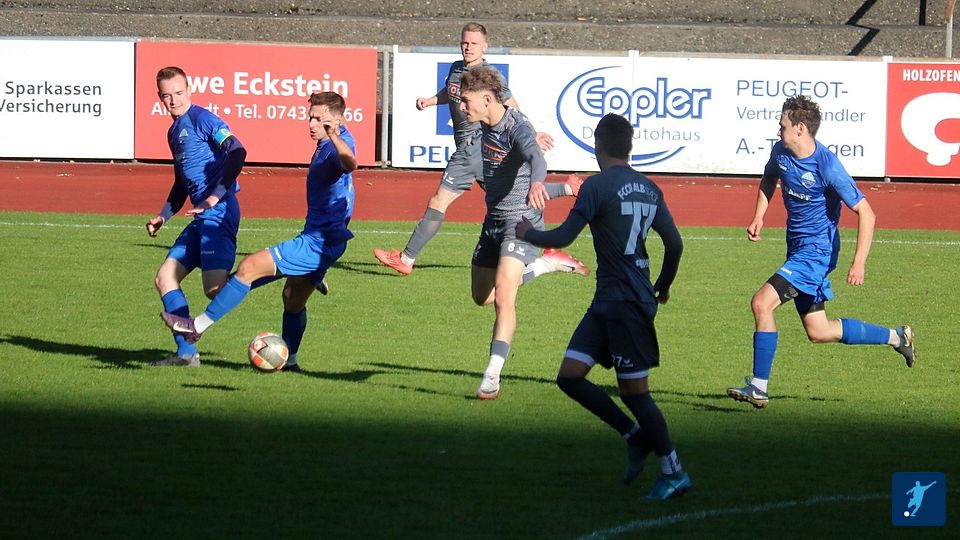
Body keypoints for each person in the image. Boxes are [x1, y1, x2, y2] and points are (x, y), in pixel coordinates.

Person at [517, 113, 691, 500]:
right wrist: (662, 286)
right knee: (570, 376)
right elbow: (675, 244)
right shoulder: (649, 188)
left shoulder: (596, 186)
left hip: (625, 302)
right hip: (613, 300)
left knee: (635, 393)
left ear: (597, 145)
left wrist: (528, 233)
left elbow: (563, 237)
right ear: (629, 146)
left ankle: (674, 470)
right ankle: (634, 437)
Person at [726, 95, 915, 409]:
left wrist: (859, 262)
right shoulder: (781, 152)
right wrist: (759, 215)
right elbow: (769, 177)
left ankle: (758, 387)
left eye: (782, 126)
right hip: (797, 249)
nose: (778, 131)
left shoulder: (827, 165)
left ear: (800, 128)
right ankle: (897, 337)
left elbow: (867, 213)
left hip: (816, 254)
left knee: (761, 303)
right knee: (819, 331)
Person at [160, 91, 356, 372]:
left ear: (338, 120)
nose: (311, 124)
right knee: (292, 299)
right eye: (310, 117)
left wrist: (334, 135)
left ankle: (196, 327)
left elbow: (350, 163)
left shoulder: (338, 144)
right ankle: (290, 362)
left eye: (319, 120)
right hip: (325, 240)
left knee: (248, 267)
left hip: (318, 243)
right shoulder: (331, 140)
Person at [373, 22, 582, 276]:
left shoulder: (488, 76)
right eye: (465, 42)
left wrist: (530, 133)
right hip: (481, 150)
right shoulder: (456, 68)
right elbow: (451, 92)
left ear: (485, 46)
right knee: (511, 194)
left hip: (472, 147)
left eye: (474, 43)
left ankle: (406, 258)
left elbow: (510, 104)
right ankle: (565, 195)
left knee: (439, 201)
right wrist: (431, 101)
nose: (468, 47)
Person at [456, 66, 590, 400]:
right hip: (493, 222)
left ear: (487, 100)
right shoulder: (485, 122)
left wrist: (538, 181)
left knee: (504, 297)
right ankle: (546, 264)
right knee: (482, 297)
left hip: (520, 224)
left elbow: (535, 159)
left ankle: (492, 376)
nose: (461, 107)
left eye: (466, 101)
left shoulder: (517, 127)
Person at [147, 66, 247, 367]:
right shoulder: (173, 132)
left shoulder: (203, 119)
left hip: (219, 211)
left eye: (179, 93)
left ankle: (282, 270)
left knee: (214, 289)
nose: (174, 100)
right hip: (200, 216)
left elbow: (238, 152)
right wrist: (164, 215)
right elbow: (181, 182)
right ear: (160, 97)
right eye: (167, 96)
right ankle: (186, 354)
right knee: (165, 278)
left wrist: (214, 196)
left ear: (189, 90)